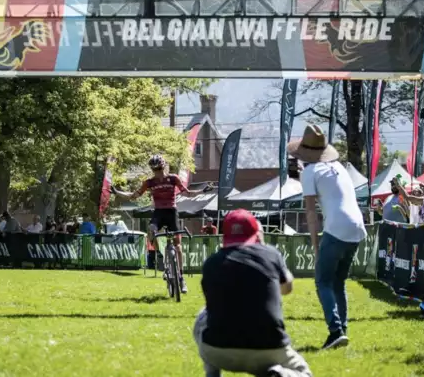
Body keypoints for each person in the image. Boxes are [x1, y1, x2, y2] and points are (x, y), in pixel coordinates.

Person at [194, 209, 312, 377]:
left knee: (203, 314)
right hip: (269, 349)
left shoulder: (211, 263)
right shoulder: (270, 254)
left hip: (218, 351)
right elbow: (287, 288)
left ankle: (212, 372)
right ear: (256, 234)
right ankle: (279, 374)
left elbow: (211, 301)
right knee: (304, 373)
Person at [290, 124, 367, 350]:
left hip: (338, 229)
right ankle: (342, 329)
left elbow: (311, 214)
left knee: (322, 280)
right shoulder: (339, 168)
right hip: (357, 228)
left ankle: (335, 331)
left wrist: (316, 245)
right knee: (338, 281)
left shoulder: (309, 173)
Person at [113, 154, 209, 294]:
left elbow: (187, 193)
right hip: (158, 212)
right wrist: (117, 192)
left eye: (158, 169)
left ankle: (181, 278)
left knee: (177, 245)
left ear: (163, 167)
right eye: (154, 170)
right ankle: (161, 256)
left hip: (172, 211)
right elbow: (134, 195)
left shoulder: (173, 178)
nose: (157, 172)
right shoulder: (149, 182)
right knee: (151, 229)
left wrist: (202, 191)